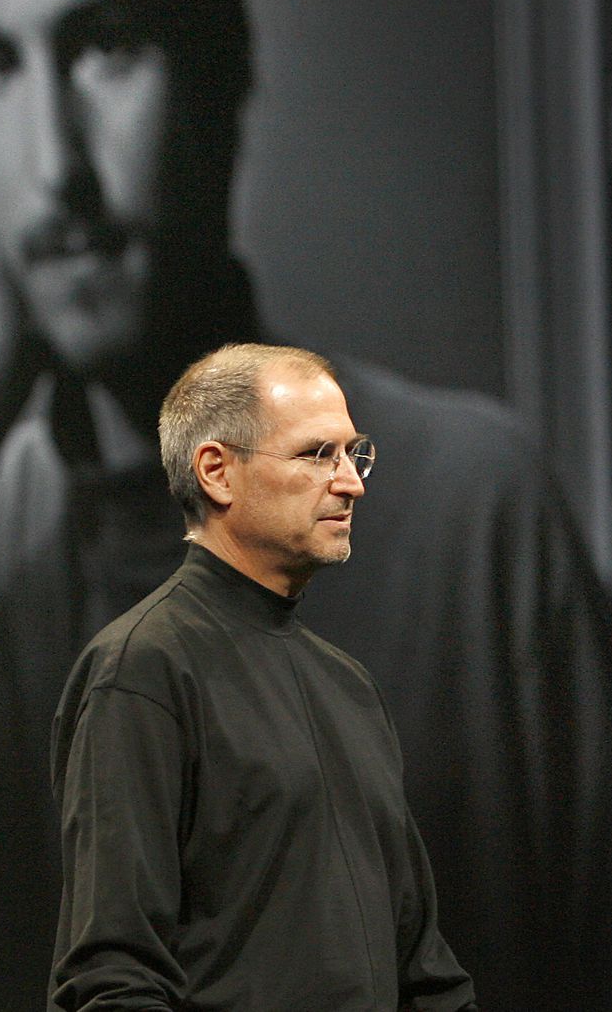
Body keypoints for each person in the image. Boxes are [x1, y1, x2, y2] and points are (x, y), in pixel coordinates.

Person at [0, 0, 612, 1007]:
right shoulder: (0, 546)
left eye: (106, 46)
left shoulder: (474, 515)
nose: (53, 161)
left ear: (218, 79)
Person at [51, 342, 476, 1010]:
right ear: (217, 473)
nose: (351, 482)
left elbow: (424, 968)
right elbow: (114, 975)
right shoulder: (141, 669)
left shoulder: (350, 688)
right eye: (316, 455)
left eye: (353, 454)